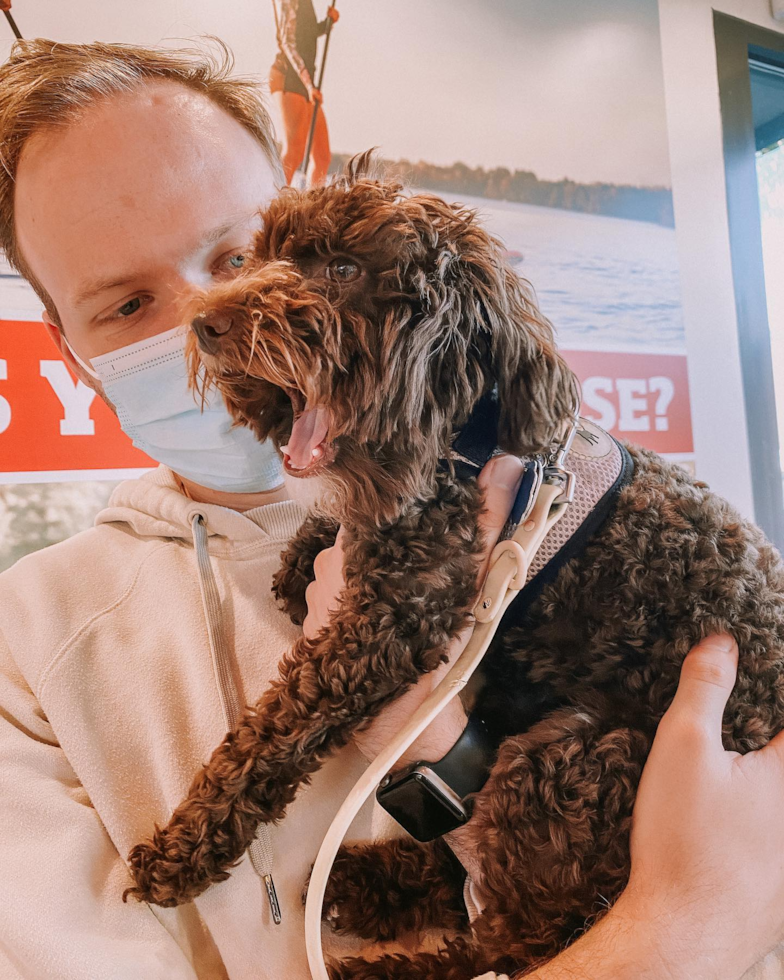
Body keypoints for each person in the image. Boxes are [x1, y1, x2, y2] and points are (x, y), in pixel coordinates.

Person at [0, 36, 783, 980]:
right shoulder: (29, 652)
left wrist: (438, 745)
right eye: (127, 305)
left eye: (239, 255)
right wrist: (681, 929)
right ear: (68, 347)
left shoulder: (541, 497)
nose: (209, 318)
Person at [269, 0, 338, 186]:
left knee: (323, 156)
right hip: (289, 77)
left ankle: (313, 201)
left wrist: (327, 24)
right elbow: (287, 42)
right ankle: (275, 198)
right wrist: (308, 84)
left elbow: (306, 35)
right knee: (295, 151)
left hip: (307, 82)